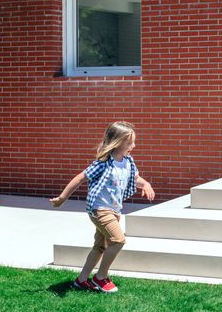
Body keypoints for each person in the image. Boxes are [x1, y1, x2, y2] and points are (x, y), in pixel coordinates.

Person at [50, 121, 155, 293]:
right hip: (99, 209)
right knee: (118, 240)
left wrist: (147, 184)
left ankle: (81, 280)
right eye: (130, 143)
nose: (133, 146)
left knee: (100, 246)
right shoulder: (104, 163)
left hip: (114, 210)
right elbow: (80, 178)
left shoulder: (128, 161)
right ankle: (101, 277)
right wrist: (62, 198)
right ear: (118, 142)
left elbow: (135, 178)